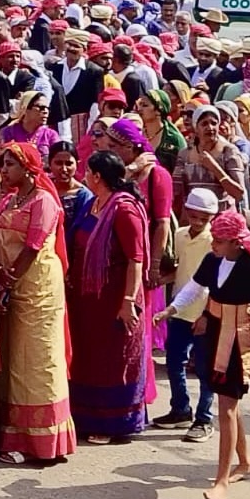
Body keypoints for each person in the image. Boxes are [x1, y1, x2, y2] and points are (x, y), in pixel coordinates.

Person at [162, 210, 250, 499]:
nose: (213, 245)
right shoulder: (213, 261)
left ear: (236, 242)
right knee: (228, 403)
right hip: (213, 336)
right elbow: (194, 288)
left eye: (219, 241)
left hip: (239, 343)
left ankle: (221, 479)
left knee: (226, 407)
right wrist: (171, 309)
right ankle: (245, 461)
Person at [0, 143, 75, 464]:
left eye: (10, 164)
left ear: (28, 169)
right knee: (13, 358)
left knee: (39, 358)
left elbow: (33, 246)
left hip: (38, 288)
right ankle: (14, 434)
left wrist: (8, 280)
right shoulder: (10, 199)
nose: (4, 170)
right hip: (11, 285)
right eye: (3, 164)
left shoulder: (44, 201)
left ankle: (44, 440)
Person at [65, 149, 149, 444]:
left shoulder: (123, 210)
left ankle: (115, 423)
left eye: (87, 171)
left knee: (113, 361)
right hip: (88, 301)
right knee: (89, 359)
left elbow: (135, 259)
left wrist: (128, 302)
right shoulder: (93, 204)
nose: (83, 176)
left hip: (114, 299)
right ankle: (88, 418)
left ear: (97, 176)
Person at [151, 188, 217, 442]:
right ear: (187, 212)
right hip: (179, 309)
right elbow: (180, 270)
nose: (198, 222)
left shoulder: (214, 241)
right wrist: (158, 280)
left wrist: (207, 315)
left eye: (204, 218)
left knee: (204, 369)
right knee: (173, 362)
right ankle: (180, 409)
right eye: (194, 216)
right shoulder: (179, 235)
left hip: (204, 313)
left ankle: (204, 418)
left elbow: (215, 281)